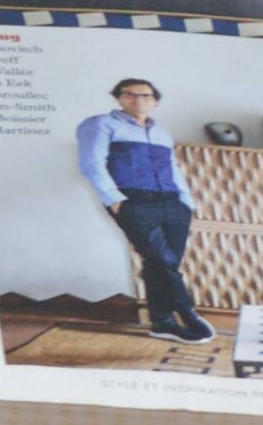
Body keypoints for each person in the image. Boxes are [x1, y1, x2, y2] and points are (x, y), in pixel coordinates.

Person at [75, 77, 213, 344]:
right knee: (163, 261)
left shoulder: (162, 132)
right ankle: (186, 312)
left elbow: (173, 168)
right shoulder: (101, 124)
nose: (138, 100)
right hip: (134, 201)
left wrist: (187, 201)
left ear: (155, 102)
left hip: (173, 202)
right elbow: (92, 163)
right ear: (119, 98)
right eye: (130, 95)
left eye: (146, 96)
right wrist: (114, 199)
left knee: (162, 263)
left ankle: (162, 323)